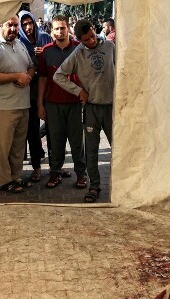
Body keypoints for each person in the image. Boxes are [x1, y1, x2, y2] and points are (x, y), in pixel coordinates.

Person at [53, 20, 115, 203]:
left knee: (118, 149)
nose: (91, 41)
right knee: (91, 150)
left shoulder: (110, 46)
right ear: (79, 40)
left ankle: (122, 186)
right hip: (92, 108)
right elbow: (58, 76)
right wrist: (78, 91)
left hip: (112, 107)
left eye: (92, 36)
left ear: (95, 31)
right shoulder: (77, 54)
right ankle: (94, 186)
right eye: (86, 40)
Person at [0, 15, 35, 193]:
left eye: (16, 25)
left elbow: (31, 66)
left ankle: (15, 176)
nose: (13, 29)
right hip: (2, 107)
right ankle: (3, 181)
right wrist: (16, 76)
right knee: (2, 148)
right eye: (9, 25)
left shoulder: (20, 44)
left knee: (18, 146)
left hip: (22, 104)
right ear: (0, 25)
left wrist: (27, 77)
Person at [37, 16, 85, 189]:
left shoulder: (79, 48)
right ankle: (55, 173)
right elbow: (42, 79)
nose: (60, 32)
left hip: (74, 102)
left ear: (68, 29)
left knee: (77, 142)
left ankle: (81, 175)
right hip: (53, 103)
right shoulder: (46, 51)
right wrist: (40, 104)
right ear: (51, 31)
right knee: (56, 141)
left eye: (62, 28)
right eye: (56, 29)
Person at [18, 9, 53, 183]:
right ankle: (36, 167)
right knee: (32, 131)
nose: (28, 27)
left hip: (49, 90)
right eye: (24, 24)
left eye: (29, 23)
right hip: (29, 93)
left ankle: (56, 167)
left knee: (53, 130)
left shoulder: (45, 37)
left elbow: (54, 58)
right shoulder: (19, 42)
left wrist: (44, 54)